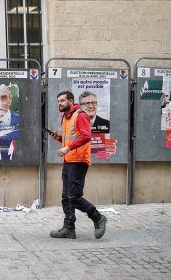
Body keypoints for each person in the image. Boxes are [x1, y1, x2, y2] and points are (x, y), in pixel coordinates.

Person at [47, 91, 107, 239]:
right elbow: (71, 138)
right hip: (69, 159)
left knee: (74, 196)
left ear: (71, 101)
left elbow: (86, 136)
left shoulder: (80, 115)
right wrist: (59, 139)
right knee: (65, 196)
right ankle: (69, 228)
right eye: (58, 101)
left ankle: (98, 217)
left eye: (62, 101)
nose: (60, 103)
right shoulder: (65, 117)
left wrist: (68, 147)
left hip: (79, 160)